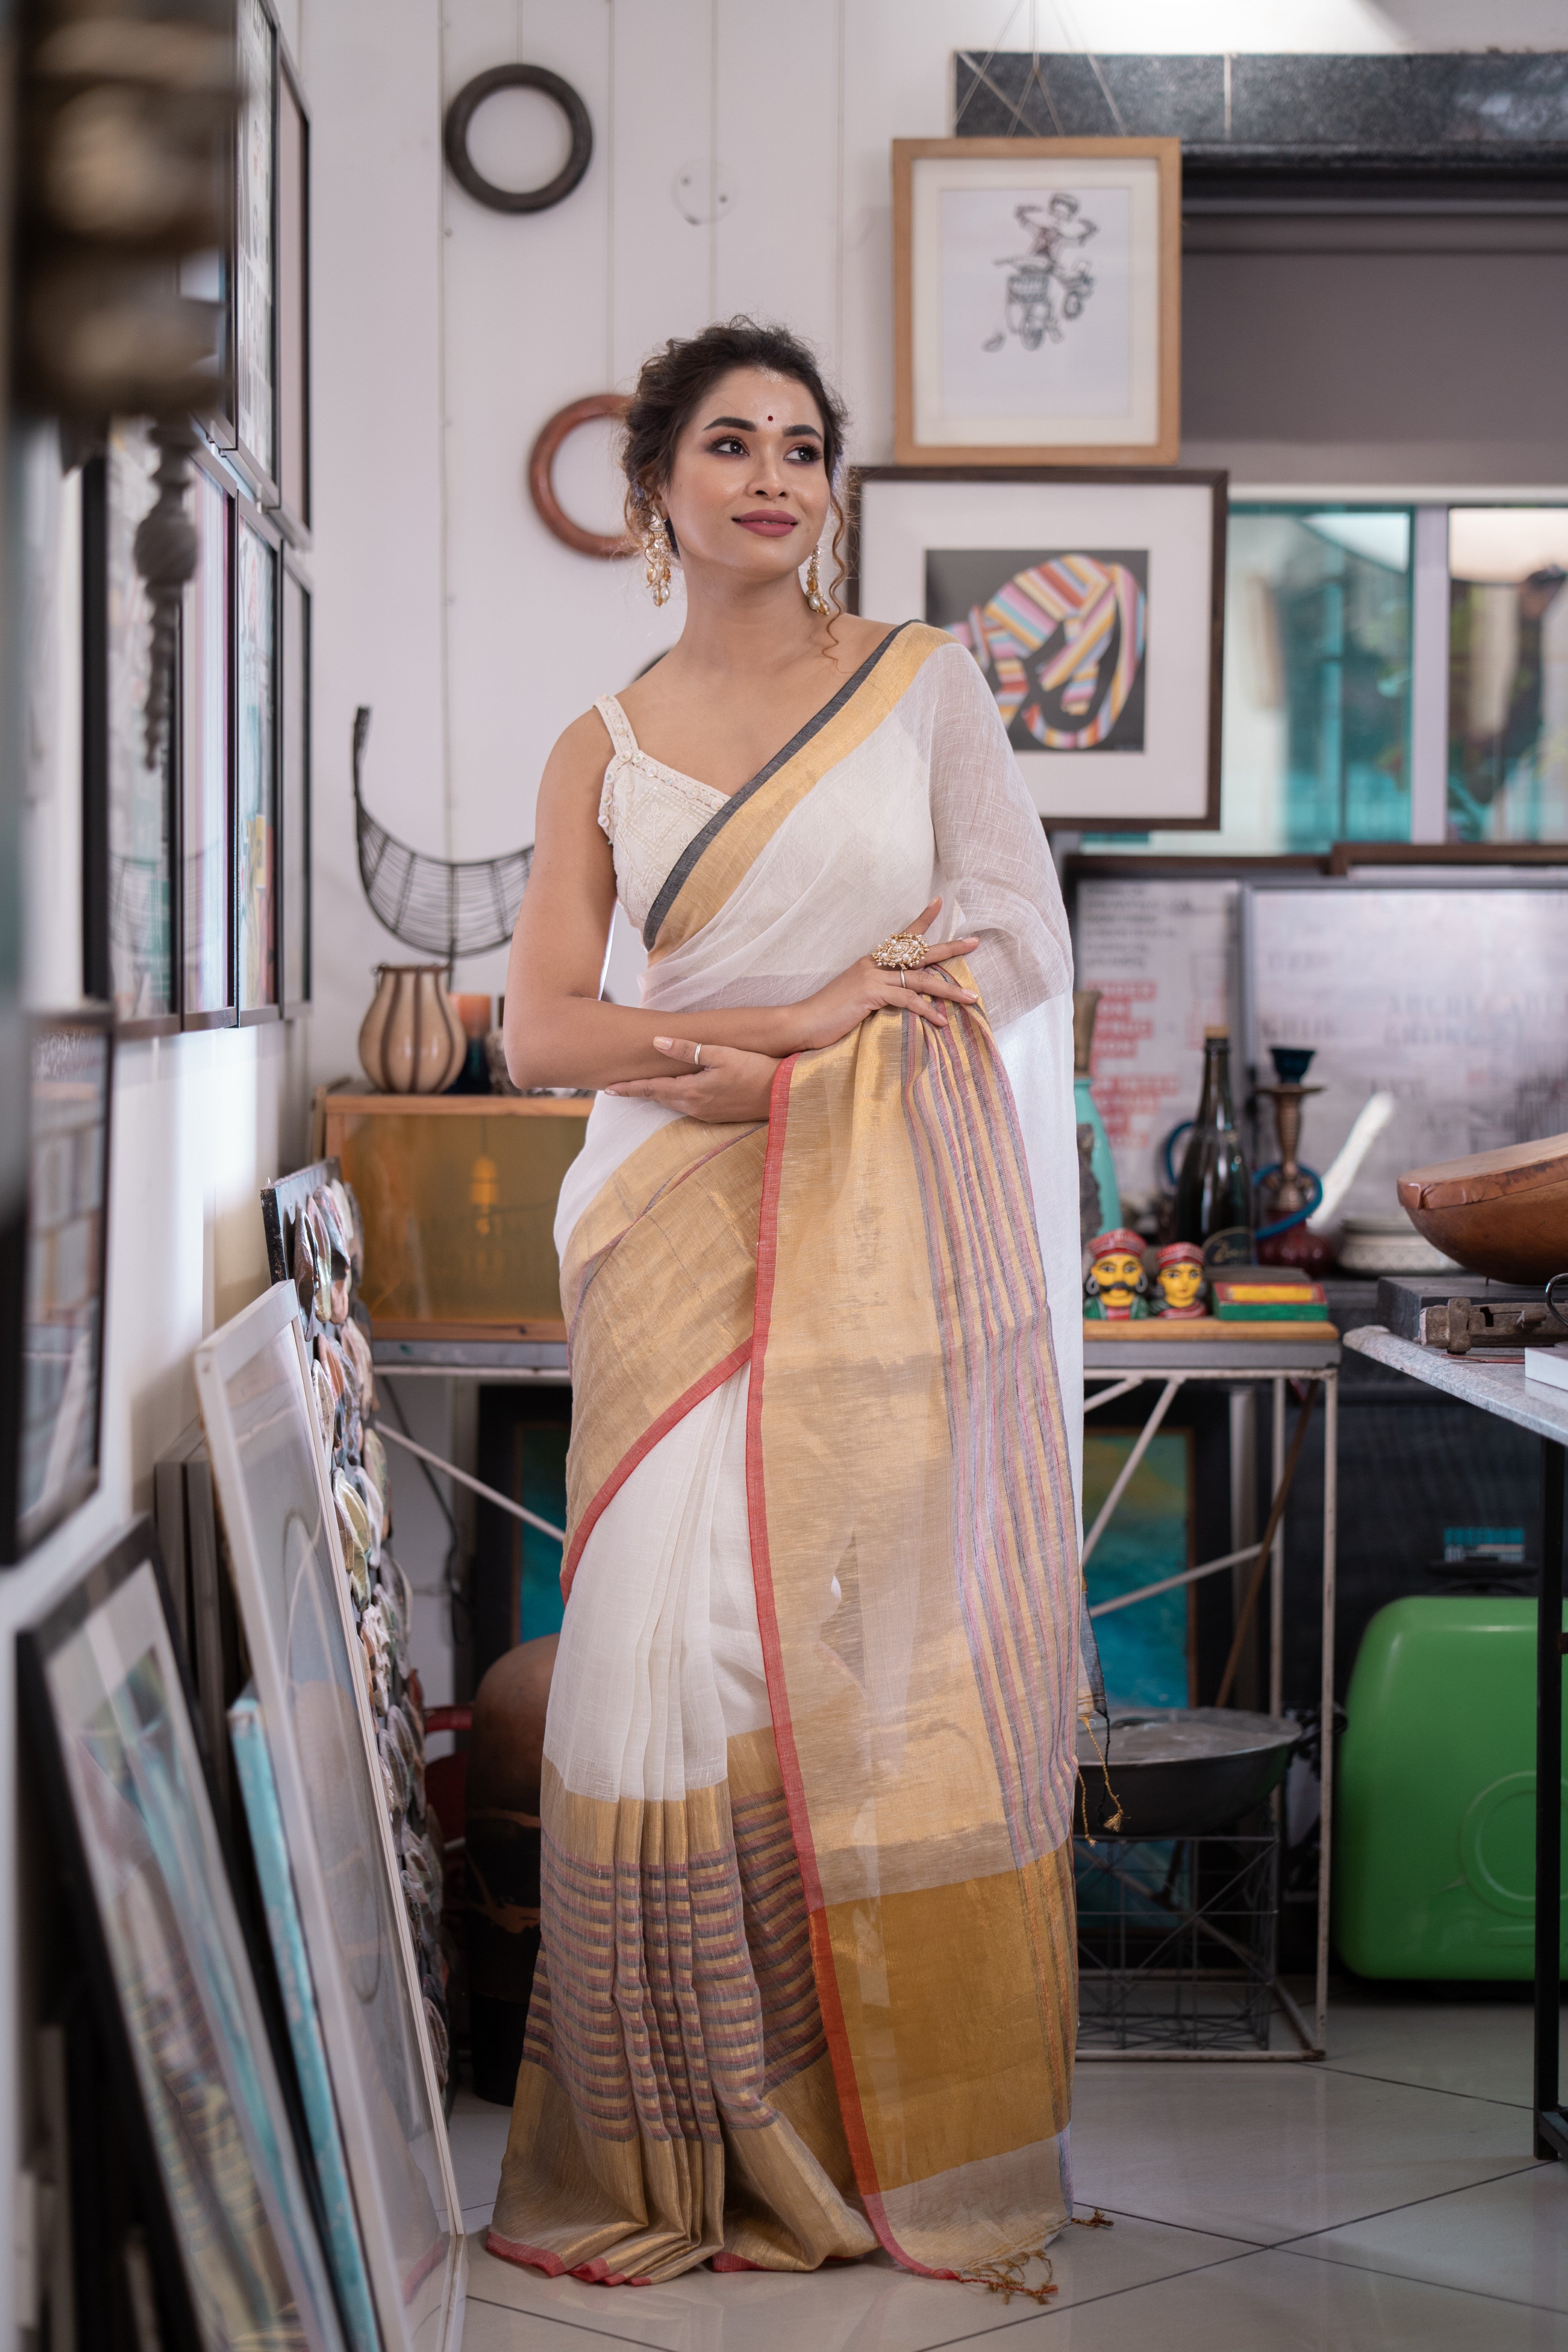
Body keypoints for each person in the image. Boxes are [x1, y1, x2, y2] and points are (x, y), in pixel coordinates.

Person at [488, 317, 1094, 2292]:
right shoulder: (603, 733)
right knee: (655, 1653)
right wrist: (778, 1038)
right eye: (731, 443)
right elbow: (540, 1031)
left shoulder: (921, 689)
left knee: (849, 1664)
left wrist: (808, 1080)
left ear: (831, 492)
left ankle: (855, 2127)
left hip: (876, 1220)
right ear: (656, 484)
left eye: (805, 448)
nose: (772, 475)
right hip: (665, 1223)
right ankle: (672, 2130)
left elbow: (1005, 936)